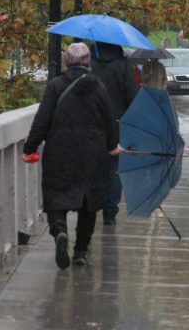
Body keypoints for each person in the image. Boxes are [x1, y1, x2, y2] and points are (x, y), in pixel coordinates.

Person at [22, 43, 120, 269]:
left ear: (66, 62)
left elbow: (42, 120)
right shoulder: (99, 88)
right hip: (92, 153)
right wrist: (112, 144)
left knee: (56, 195)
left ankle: (60, 232)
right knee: (89, 202)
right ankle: (80, 251)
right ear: (88, 62)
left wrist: (30, 147)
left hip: (60, 150)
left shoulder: (55, 86)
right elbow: (109, 120)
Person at [91, 41, 139, 225]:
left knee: (92, 168)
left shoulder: (90, 64)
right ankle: (110, 212)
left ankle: (91, 206)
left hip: (91, 125)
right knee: (113, 169)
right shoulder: (123, 66)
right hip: (116, 125)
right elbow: (132, 98)